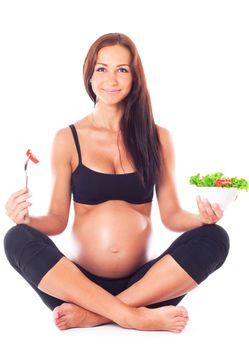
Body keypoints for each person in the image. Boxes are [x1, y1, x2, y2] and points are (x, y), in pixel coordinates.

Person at [3, 32, 229, 333]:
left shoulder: (158, 138)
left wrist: (201, 219)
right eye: (102, 68)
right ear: (90, 76)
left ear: (134, 77)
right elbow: (57, 221)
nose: (111, 79)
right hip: (77, 285)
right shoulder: (67, 139)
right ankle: (133, 315)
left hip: (147, 284)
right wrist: (27, 219)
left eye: (122, 69)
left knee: (216, 237)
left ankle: (97, 315)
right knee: (16, 237)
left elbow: (172, 215)